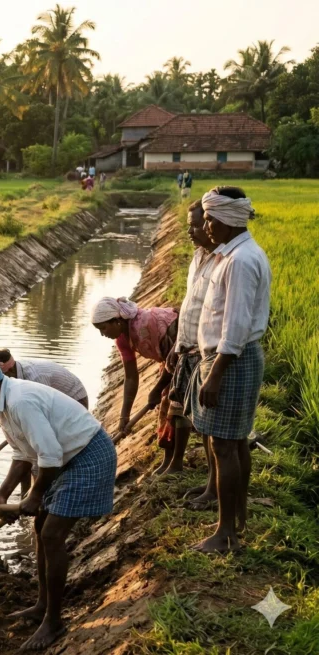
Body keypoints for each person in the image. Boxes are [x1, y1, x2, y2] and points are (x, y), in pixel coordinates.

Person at [0, 354, 116, 652]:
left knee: (52, 534)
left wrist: (35, 494)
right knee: (41, 526)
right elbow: (23, 454)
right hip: (65, 456)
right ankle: (43, 605)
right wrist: (2, 494)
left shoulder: (21, 402)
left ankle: (53, 621)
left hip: (87, 455)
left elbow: (50, 455)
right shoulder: (1, 404)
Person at [188, 187, 270, 554]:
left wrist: (215, 374)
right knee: (234, 441)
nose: (206, 226)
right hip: (229, 357)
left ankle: (225, 534)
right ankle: (235, 518)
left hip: (231, 360)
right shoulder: (234, 254)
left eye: (209, 220)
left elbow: (235, 325)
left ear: (228, 220)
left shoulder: (240, 261)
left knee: (224, 445)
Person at [0, 349, 89, 471]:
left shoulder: (34, 379)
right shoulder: (8, 387)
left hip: (75, 401)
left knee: (43, 446)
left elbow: (41, 419)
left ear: (9, 371)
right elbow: (0, 418)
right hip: (51, 406)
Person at [170, 201, 218, 484]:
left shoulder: (223, 262)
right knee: (180, 408)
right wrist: (177, 345)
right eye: (188, 225)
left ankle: (213, 483)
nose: (190, 231)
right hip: (186, 348)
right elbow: (189, 304)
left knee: (208, 422)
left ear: (212, 225)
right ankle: (178, 464)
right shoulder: (198, 256)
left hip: (205, 352)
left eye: (195, 225)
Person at [91, 297, 178, 445]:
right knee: (167, 404)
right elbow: (130, 377)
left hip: (182, 352)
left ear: (117, 321)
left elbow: (174, 358)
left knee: (176, 406)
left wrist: (157, 390)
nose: (102, 334)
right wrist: (124, 416)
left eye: (103, 328)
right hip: (169, 362)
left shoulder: (144, 326)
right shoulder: (122, 340)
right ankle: (171, 453)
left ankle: (177, 456)